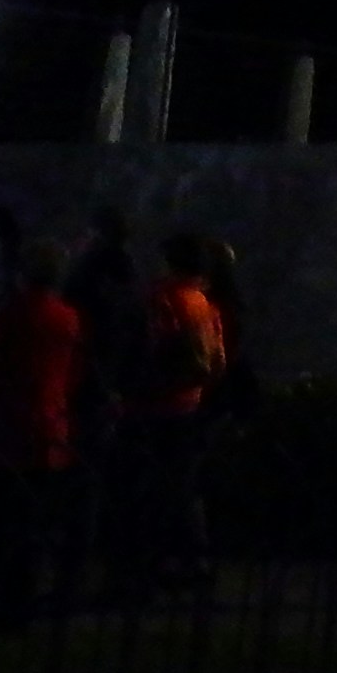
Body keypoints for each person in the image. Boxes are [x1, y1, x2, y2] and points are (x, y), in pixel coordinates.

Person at [99, 231, 233, 599]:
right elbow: (218, 360)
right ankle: (193, 563)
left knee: (136, 489)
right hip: (189, 406)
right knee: (182, 488)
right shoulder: (203, 303)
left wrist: (126, 389)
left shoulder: (163, 299)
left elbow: (145, 350)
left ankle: (136, 570)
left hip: (152, 408)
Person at [0, 239, 86, 626]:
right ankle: (27, 593)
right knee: (35, 517)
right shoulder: (68, 317)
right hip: (51, 428)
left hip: (9, 426)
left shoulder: (6, 316)